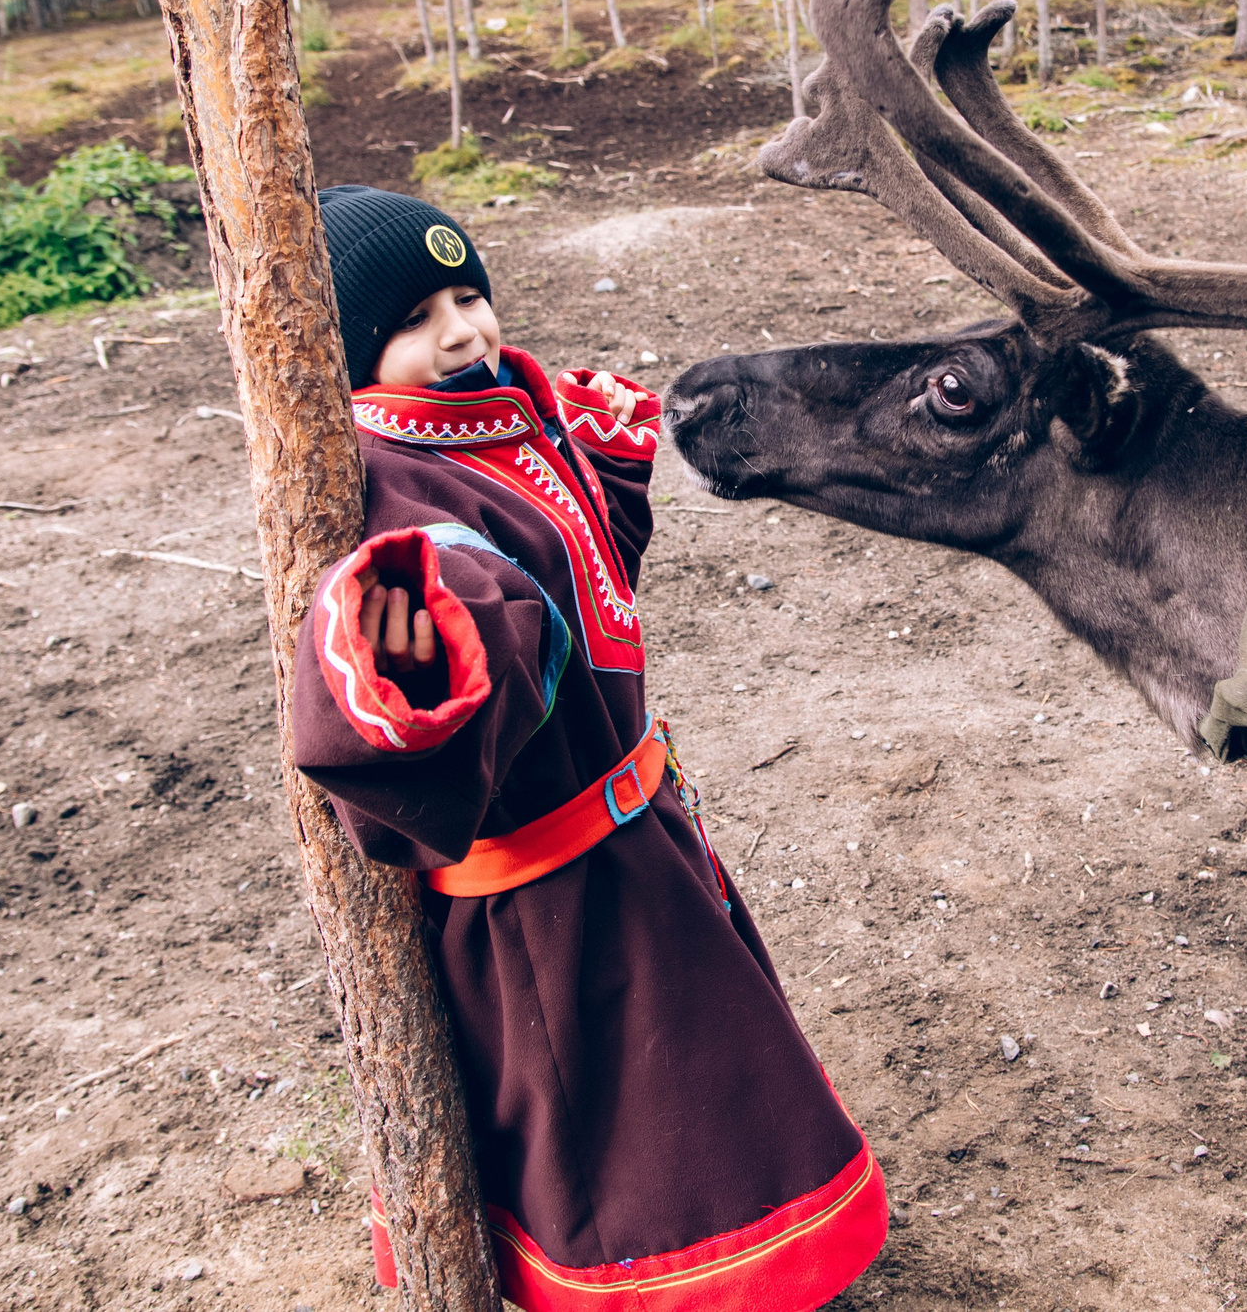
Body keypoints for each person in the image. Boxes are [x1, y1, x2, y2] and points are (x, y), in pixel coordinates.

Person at [290, 186, 886, 1311]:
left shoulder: (501, 426)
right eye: (415, 318)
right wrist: (430, 662)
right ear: (346, 351)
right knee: (624, 1131)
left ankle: (761, 1264)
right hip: (543, 899)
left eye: (471, 294)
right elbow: (457, 609)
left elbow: (578, 563)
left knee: (704, 1084)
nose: (465, 331)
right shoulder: (390, 491)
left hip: (635, 841)